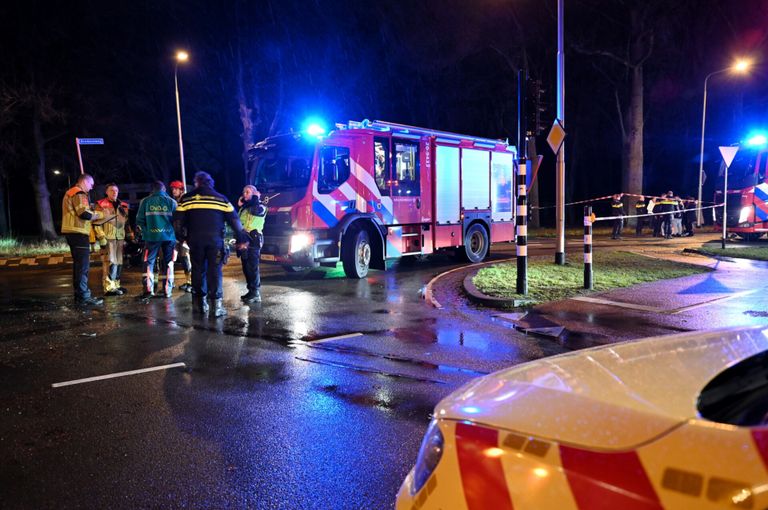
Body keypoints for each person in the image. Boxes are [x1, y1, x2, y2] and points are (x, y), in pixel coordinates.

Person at [174, 171, 248, 317]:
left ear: (196, 183)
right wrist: (241, 240)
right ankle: (216, 307)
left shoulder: (186, 199)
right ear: (211, 183)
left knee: (197, 270)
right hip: (215, 242)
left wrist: (181, 237)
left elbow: (177, 220)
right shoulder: (222, 199)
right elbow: (235, 222)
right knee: (215, 271)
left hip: (194, 241)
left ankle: (199, 306)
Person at [61, 173, 104, 306]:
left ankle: (80, 296)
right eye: (91, 184)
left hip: (73, 232)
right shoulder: (79, 193)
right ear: (84, 182)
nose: (91, 187)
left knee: (79, 266)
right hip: (78, 232)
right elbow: (84, 214)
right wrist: (100, 215)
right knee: (83, 266)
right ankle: (84, 297)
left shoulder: (72, 192)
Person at [136, 181, 177, 299]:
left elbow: (139, 220)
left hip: (151, 238)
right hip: (169, 237)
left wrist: (146, 232)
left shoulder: (145, 201)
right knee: (169, 263)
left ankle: (148, 290)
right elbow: (177, 220)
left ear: (152, 190)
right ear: (164, 189)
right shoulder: (172, 202)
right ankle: (167, 290)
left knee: (148, 263)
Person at [93, 183, 132, 296]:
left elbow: (126, 223)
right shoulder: (100, 204)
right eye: (111, 190)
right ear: (106, 192)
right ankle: (108, 287)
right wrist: (101, 237)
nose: (114, 192)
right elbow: (96, 223)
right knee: (109, 263)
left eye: (116, 190)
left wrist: (130, 236)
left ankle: (116, 284)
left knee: (119, 263)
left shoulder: (123, 205)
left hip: (119, 238)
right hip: (108, 238)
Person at [237, 185, 267, 304]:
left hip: (254, 239)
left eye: (248, 192)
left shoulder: (261, 206)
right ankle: (251, 290)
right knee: (245, 267)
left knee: (252, 267)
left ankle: (255, 293)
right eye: (244, 192)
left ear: (254, 194)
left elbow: (255, 211)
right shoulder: (244, 208)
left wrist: (255, 198)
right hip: (244, 239)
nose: (244, 194)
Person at [169, 180, 193, 293]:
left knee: (186, 258)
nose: (173, 191)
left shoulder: (186, 201)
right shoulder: (174, 202)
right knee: (180, 259)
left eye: (176, 189)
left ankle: (191, 282)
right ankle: (184, 281)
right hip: (176, 235)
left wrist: (185, 235)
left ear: (181, 190)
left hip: (184, 235)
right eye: (172, 189)